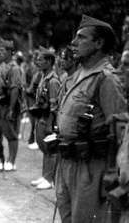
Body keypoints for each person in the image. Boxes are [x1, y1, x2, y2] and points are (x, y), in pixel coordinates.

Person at [56, 15, 125, 222]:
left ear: (99, 43)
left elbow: (120, 129)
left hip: (90, 167)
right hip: (67, 160)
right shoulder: (78, 74)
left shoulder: (106, 79)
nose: (73, 44)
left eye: (81, 38)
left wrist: (114, 171)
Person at [29, 49, 60, 190]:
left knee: (50, 149)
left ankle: (49, 179)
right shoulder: (43, 78)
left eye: (41, 59)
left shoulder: (53, 81)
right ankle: (45, 175)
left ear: (49, 62)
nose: (37, 62)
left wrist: (50, 123)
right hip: (40, 117)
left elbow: (54, 105)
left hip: (48, 118)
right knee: (43, 147)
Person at [0, 39, 22, 171]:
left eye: (3, 50)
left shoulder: (14, 68)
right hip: (0, 103)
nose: (0, 52)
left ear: (11, 51)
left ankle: (12, 161)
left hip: (9, 104)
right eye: (0, 49)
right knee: (1, 131)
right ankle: (3, 158)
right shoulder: (2, 66)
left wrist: (11, 108)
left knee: (11, 133)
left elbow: (15, 89)